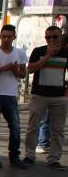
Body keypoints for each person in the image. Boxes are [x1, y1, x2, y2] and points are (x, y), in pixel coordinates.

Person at [23, 26, 68, 169]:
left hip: (59, 97)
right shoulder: (39, 51)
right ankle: (29, 155)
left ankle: (54, 159)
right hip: (39, 95)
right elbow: (30, 69)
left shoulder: (66, 53)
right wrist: (48, 56)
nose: (51, 40)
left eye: (55, 37)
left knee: (58, 129)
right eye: (48, 37)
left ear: (60, 37)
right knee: (33, 127)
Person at [0, 24, 28, 168]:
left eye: (9, 37)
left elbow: (23, 74)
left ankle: (14, 157)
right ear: (0, 37)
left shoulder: (20, 53)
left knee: (15, 127)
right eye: (4, 37)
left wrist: (14, 70)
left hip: (11, 95)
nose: (6, 39)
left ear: (14, 37)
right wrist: (4, 68)